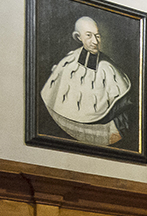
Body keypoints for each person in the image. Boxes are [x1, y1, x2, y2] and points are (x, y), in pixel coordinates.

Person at [39, 16, 134, 147]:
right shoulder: (68, 63)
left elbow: (122, 111)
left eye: (97, 36)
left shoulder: (108, 68)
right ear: (78, 37)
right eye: (89, 35)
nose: (95, 41)